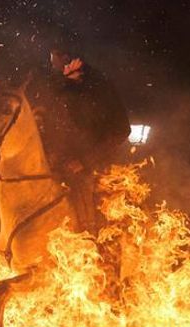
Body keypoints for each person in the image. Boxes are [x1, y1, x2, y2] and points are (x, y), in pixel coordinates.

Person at [34, 42, 130, 234]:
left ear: (68, 59)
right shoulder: (60, 86)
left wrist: (84, 162)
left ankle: (90, 241)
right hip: (61, 162)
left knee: (82, 193)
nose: (52, 66)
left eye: (55, 61)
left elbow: (120, 131)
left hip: (93, 167)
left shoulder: (99, 87)